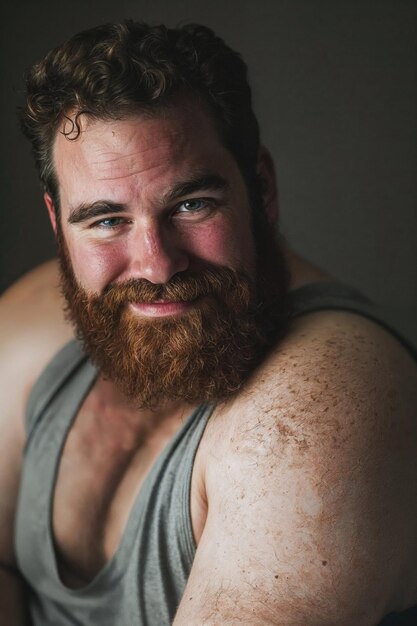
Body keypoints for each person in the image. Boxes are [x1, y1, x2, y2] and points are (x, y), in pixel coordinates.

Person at [1, 20, 417, 626]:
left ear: (262, 189)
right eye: (105, 220)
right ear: (57, 219)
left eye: (192, 205)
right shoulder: (36, 321)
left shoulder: (320, 408)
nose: (156, 264)